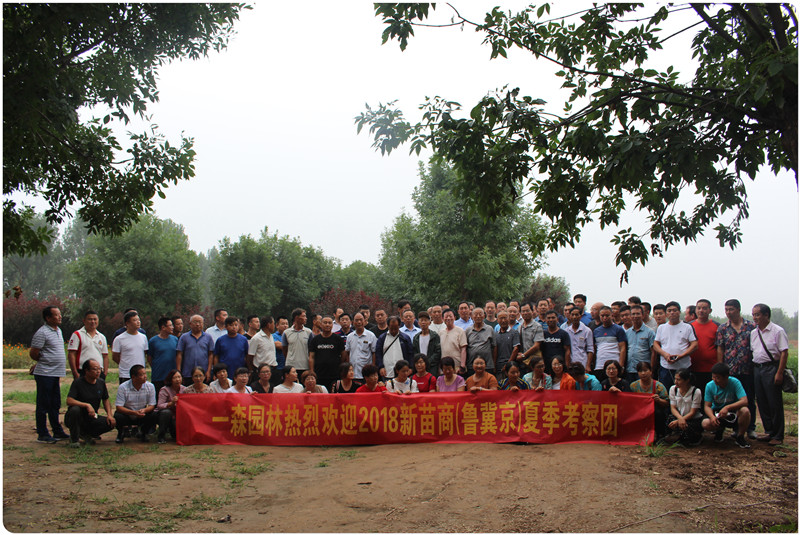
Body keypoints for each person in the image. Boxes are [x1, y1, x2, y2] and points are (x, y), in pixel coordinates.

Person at [716, 298, 758, 439]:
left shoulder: (751, 326)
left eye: (731, 309)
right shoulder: (723, 328)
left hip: (748, 370)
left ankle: (750, 428)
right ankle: (736, 428)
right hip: (730, 371)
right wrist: (721, 368)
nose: (728, 312)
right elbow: (720, 348)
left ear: (738, 309)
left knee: (749, 398)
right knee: (733, 400)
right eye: (726, 309)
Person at [750, 303, 789, 446]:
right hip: (757, 368)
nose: (755, 318)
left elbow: (784, 352)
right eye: (753, 315)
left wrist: (779, 373)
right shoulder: (754, 333)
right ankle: (769, 431)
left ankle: (778, 435)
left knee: (774, 402)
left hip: (771, 368)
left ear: (766, 315)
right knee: (761, 401)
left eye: (757, 314)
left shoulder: (777, 331)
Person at [30, 305, 70, 443]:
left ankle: (57, 431)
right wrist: (44, 362)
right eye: (56, 315)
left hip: (55, 373)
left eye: (60, 314)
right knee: (43, 404)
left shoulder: (58, 330)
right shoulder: (42, 332)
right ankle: (42, 433)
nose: (60, 317)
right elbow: (34, 352)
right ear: (48, 318)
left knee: (55, 403)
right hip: (45, 374)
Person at [65, 359, 115, 446]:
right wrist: (86, 405)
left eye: (99, 369)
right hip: (77, 416)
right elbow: (69, 400)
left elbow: (105, 399)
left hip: (92, 417)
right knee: (75, 410)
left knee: (110, 423)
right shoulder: (78, 382)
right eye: (95, 369)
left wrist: (109, 415)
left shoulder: (101, 383)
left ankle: (86, 434)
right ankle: (74, 439)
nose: (98, 371)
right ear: (86, 371)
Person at [702, 362, 751, 448]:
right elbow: (707, 406)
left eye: (718, 378)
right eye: (713, 377)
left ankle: (740, 436)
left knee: (745, 411)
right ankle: (719, 430)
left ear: (726, 377)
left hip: (733, 411)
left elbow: (744, 401)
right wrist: (712, 417)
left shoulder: (735, 382)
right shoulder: (710, 385)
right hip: (717, 413)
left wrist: (727, 407)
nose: (715, 380)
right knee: (705, 423)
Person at [653, 301, 698, 390]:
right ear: (666, 313)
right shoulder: (661, 327)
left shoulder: (687, 327)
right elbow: (655, 344)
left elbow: (695, 344)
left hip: (683, 367)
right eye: (669, 311)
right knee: (665, 392)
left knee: (684, 392)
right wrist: (665, 354)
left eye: (674, 310)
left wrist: (681, 356)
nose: (672, 313)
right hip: (665, 367)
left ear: (679, 312)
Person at [114, 364, 157, 443]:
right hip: (128, 414)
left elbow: (152, 405)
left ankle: (144, 433)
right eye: (142, 375)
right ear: (133, 377)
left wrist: (144, 410)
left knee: (153, 415)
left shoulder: (150, 386)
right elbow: (119, 407)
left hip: (142, 413)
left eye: (145, 374)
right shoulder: (123, 387)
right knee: (117, 416)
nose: (145, 376)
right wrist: (133, 412)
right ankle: (121, 433)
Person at [630, 361, 669, 439]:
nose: (643, 373)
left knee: (658, 412)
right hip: (639, 411)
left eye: (645, 370)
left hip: (654, 412)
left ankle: (659, 434)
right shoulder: (633, 386)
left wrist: (658, 400)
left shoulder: (658, 386)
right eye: (640, 371)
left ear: (651, 371)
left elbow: (667, 403)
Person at [67, 310, 109, 380]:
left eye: (95, 319)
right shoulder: (77, 334)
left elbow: (105, 356)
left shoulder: (102, 337)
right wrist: (74, 372)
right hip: (82, 371)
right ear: (84, 321)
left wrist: (105, 373)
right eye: (90, 319)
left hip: (98, 372)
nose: (93, 321)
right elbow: (71, 354)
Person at [309, 315, 346, 392]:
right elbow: (311, 357)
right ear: (321, 324)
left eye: (329, 323)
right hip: (319, 374)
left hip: (334, 374)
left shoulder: (338, 339)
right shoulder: (315, 339)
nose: (327, 325)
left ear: (332, 325)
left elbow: (343, 355)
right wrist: (312, 371)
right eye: (325, 323)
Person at [690, 299, 719, 396]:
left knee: (710, 396)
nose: (701, 310)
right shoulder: (689, 326)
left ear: (710, 310)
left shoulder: (717, 326)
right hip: (693, 368)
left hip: (711, 369)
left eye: (704, 308)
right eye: (699, 308)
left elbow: (719, 348)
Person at [176, 315, 215, 386]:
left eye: (200, 322)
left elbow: (211, 354)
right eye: (195, 322)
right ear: (190, 324)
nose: (197, 324)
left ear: (203, 324)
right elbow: (179, 354)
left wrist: (209, 371)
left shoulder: (208, 337)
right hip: (187, 373)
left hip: (203, 373)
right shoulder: (184, 337)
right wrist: (179, 372)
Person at [667, 369, 703, 446]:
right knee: (670, 421)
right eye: (675, 379)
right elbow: (673, 408)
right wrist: (680, 418)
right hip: (679, 416)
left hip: (692, 418)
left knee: (688, 426)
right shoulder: (673, 389)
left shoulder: (696, 391)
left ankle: (695, 437)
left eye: (679, 380)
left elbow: (693, 412)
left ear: (687, 380)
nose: (675, 382)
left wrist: (681, 420)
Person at [112, 311, 149, 384]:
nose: (138, 322)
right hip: (126, 374)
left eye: (138, 320)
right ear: (127, 323)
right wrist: (125, 364)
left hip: (140, 374)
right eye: (134, 320)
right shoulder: (119, 339)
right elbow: (115, 356)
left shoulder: (143, 337)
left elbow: (144, 352)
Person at [592, 306, 627, 382]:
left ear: (612, 315)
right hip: (600, 366)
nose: (605, 318)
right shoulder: (596, 331)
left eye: (607, 315)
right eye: (602, 316)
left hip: (614, 365)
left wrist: (621, 366)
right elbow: (594, 349)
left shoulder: (618, 329)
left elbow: (623, 348)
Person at [625, 305, 656, 383]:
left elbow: (653, 352)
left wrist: (651, 368)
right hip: (630, 369)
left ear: (643, 315)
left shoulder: (650, 332)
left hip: (644, 370)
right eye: (633, 314)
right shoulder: (627, 332)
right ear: (630, 316)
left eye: (638, 314)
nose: (635, 316)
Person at [148, 316, 178, 394]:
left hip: (172, 376)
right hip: (158, 376)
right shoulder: (153, 341)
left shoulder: (175, 340)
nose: (172, 327)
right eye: (170, 325)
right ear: (163, 327)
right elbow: (149, 358)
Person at [344, 312, 378, 384]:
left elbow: (374, 353)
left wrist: (373, 368)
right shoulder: (350, 337)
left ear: (364, 321)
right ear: (353, 322)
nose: (359, 322)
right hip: (353, 373)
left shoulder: (371, 336)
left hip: (366, 373)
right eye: (356, 320)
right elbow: (347, 352)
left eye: (361, 320)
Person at [156, 369, 186, 443]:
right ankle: (161, 436)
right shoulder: (164, 390)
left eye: (179, 377)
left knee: (176, 436)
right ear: (170, 379)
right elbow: (159, 405)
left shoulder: (185, 389)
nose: (177, 380)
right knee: (166, 412)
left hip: (178, 416)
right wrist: (171, 403)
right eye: (174, 378)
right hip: (165, 415)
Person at [465, 307, 497, 376]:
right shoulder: (468, 330)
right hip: (471, 365)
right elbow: (465, 348)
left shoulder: (489, 329)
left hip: (488, 365)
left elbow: (494, 347)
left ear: (484, 316)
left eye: (480, 314)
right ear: (472, 316)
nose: (478, 316)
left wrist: (494, 364)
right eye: (476, 314)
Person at [247, 315, 279, 384]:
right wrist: (252, 370)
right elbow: (250, 356)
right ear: (268, 325)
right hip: (261, 371)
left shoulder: (271, 336)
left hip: (273, 368)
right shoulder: (256, 338)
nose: (274, 326)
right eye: (273, 323)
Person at [282, 308, 313, 376]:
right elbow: (284, 349)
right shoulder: (286, 332)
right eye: (303, 316)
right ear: (297, 318)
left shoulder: (308, 332)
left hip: (304, 366)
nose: (306, 318)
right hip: (290, 366)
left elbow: (311, 350)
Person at [540, 310, 571, 375]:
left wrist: (567, 366)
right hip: (546, 367)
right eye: (548, 318)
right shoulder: (542, 334)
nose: (551, 320)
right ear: (545, 320)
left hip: (560, 367)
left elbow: (567, 351)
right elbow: (540, 350)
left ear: (557, 319)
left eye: (553, 317)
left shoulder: (564, 334)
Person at [564, 307, 593, 373]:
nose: (574, 317)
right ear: (570, 316)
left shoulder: (587, 331)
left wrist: (588, 365)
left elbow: (590, 349)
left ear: (580, 316)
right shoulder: (566, 331)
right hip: (570, 364)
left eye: (576, 315)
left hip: (583, 363)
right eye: (572, 315)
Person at [494, 310, 521, 381]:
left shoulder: (514, 333)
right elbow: (495, 351)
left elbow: (516, 349)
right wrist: (494, 365)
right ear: (497, 320)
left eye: (505, 318)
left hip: (511, 366)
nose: (503, 320)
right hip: (499, 366)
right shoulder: (495, 335)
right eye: (501, 318)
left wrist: (507, 365)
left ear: (508, 319)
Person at [439, 309, 468, 375]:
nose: (448, 318)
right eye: (446, 316)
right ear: (442, 319)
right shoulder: (441, 333)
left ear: (454, 318)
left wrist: (462, 366)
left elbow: (463, 349)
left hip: (457, 367)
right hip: (444, 367)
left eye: (450, 316)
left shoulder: (460, 331)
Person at [412, 311, 441, 375]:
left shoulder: (434, 336)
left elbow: (437, 352)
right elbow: (414, 352)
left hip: (432, 367)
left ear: (429, 322)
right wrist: (420, 363)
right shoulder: (416, 338)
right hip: (419, 367)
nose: (423, 322)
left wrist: (427, 362)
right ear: (418, 323)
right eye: (421, 320)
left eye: (425, 320)